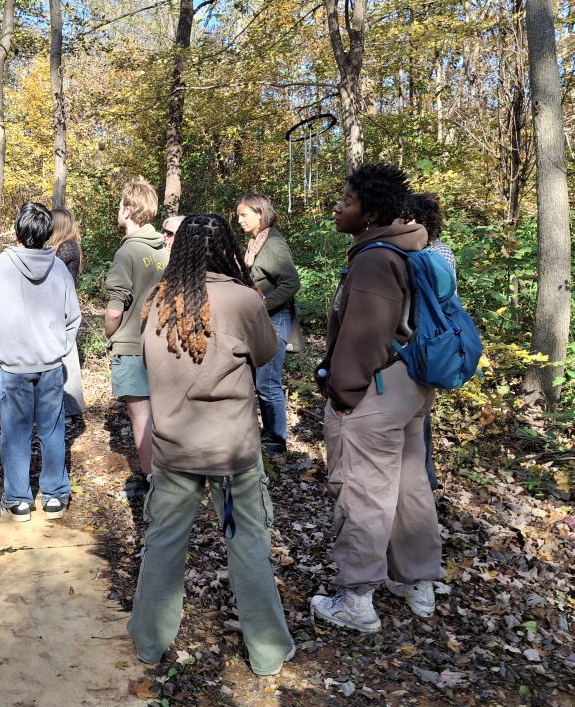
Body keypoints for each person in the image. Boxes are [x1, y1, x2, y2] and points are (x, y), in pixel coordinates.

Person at [128, 214, 295, 676]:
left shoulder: (158, 301)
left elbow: (145, 359)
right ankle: (266, 653)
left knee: (163, 541)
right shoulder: (244, 300)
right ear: (227, 249)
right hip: (232, 451)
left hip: (175, 445)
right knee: (248, 545)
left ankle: (148, 641)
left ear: (177, 250)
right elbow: (264, 355)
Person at [311, 164, 444, 633]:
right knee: (410, 485)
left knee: (365, 491)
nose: (337, 206)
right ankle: (418, 582)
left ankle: (357, 599)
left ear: (369, 211)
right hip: (409, 387)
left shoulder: (373, 259)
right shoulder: (408, 248)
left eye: (345, 200)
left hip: (376, 392)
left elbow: (363, 340)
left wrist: (342, 395)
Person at [0, 202, 82, 522]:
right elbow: (72, 318)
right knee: (52, 430)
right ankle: (54, 497)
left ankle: (19, 500)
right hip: (50, 364)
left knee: (15, 432)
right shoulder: (59, 268)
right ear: (46, 233)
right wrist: (58, 348)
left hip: (14, 366)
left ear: (19, 230)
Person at [105, 177, 168, 480]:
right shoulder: (164, 252)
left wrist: (109, 332)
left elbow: (115, 308)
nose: (119, 210)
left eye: (120, 205)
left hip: (131, 348)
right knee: (162, 416)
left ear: (128, 209)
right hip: (164, 347)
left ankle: (153, 483)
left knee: (141, 417)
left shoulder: (126, 253)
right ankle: (170, 478)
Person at [235, 194, 301, 452]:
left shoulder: (272, 244)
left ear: (260, 214)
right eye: (238, 215)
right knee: (258, 379)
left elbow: (291, 283)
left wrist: (262, 305)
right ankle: (268, 432)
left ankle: (277, 439)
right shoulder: (256, 242)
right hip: (262, 321)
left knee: (267, 382)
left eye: (244, 215)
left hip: (275, 320)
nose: (239, 220)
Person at [405, 192, 457, 491]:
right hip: (426, 341)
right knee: (418, 414)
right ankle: (423, 477)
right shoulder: (439, 252)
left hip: (424, 342)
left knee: (419, 414)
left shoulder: (434, 254)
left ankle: (424, 478)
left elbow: (439, 298)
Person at [48, 208, 85, 417]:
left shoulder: (67, 246)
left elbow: (53, 274)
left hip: (62, 309)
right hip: (58, 308)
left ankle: (70, 409)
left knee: (65, 357)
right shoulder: (62, 246)